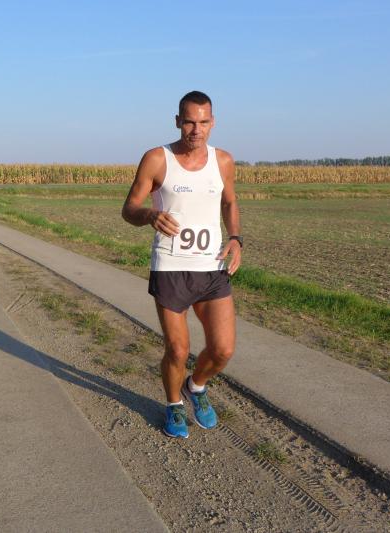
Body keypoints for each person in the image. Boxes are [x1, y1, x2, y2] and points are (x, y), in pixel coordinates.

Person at [121, 91, 242, 439]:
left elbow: (229, 202)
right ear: (177, 121)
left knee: (223, 349)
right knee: (177, 349)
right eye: (189, 122)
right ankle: (174, 403)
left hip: (212, 267)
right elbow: (129, 209)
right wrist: (150, 215)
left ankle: (196, 386)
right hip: (170, 267)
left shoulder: (223, 161)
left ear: (213, 122)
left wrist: (236, 238)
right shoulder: (157, 159)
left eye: (203, 122)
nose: (196, 130)